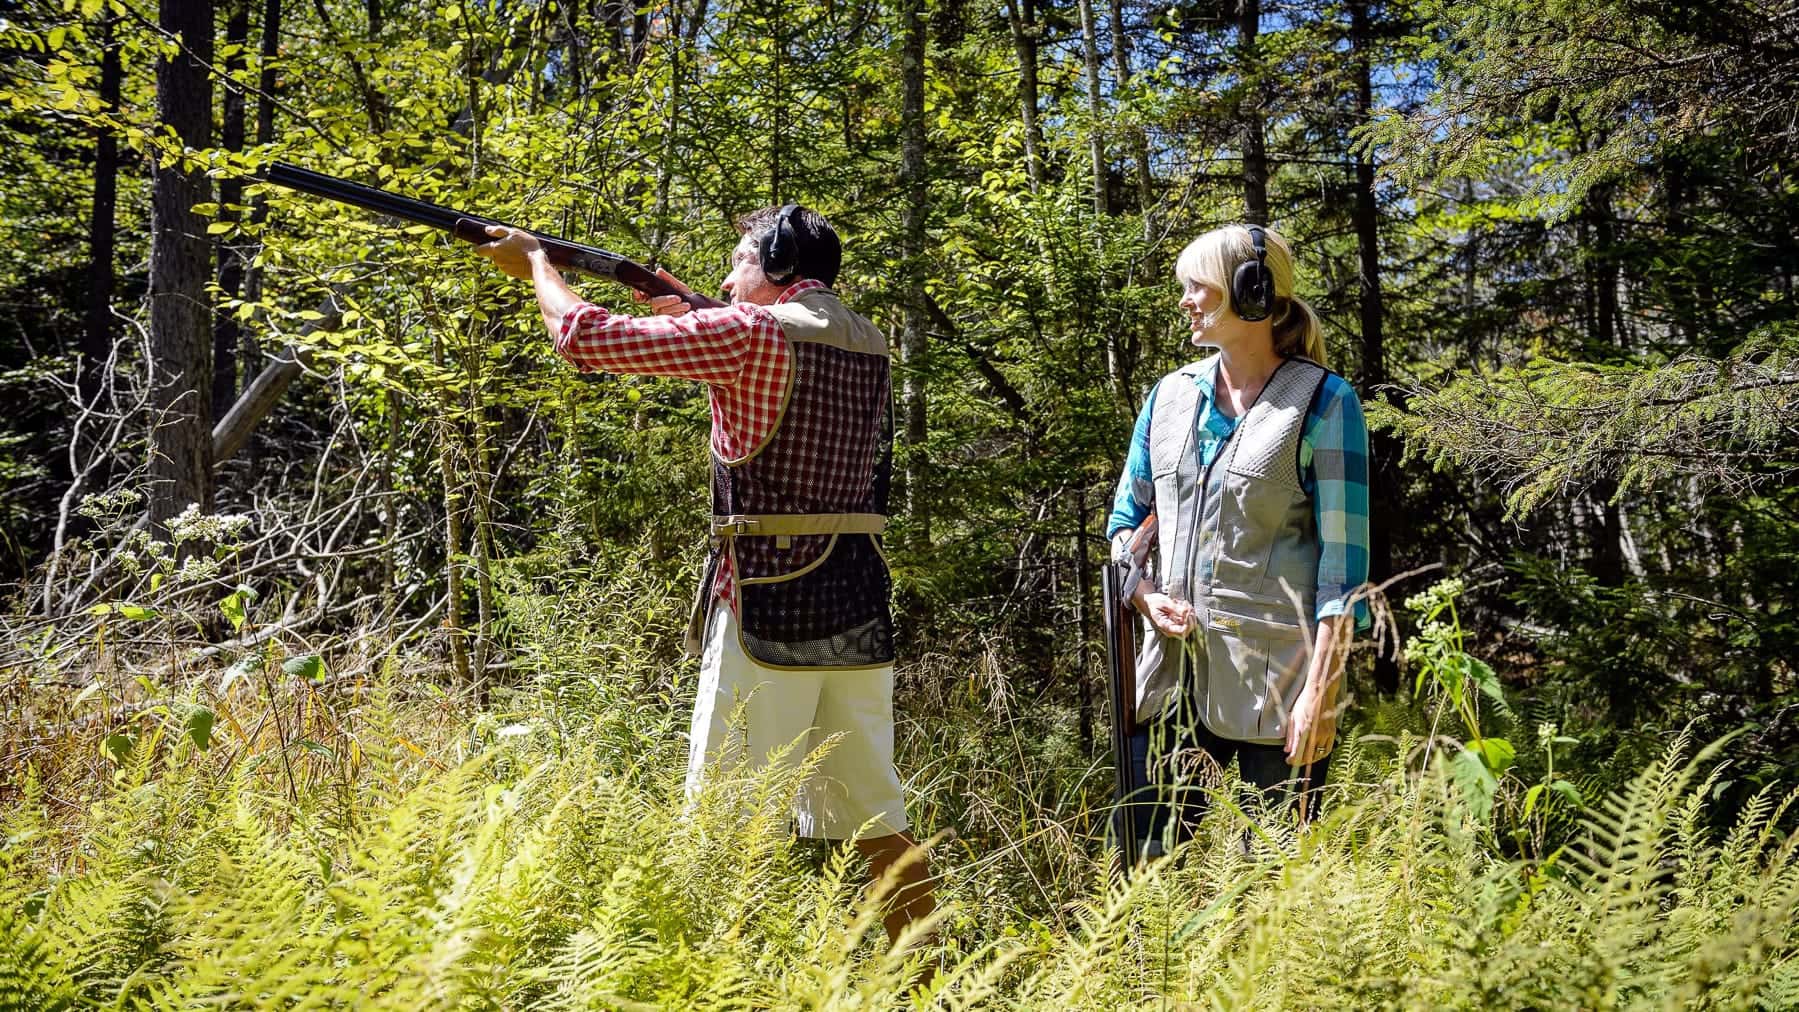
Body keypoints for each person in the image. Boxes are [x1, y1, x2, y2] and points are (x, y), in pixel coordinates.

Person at [475, 205, 935, 946]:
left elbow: (583, 337)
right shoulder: (867, 339)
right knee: (877, 812)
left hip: (766, 597)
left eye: (741, 262)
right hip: (854, 599)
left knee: (724, 812)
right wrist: (694, 309)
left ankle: (714, 977)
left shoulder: (749, 333)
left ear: (778, 266)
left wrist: (536, 263)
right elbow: (774, 347)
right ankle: (927, 976)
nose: (727, 277)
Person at [1106, 224, 1371, 854]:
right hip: (1166, 687)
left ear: (1251, 293)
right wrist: (1144, 595)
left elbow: (1343, 574)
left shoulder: (1325, 405)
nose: (1185, 299)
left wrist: (1320, 696)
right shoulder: (1167, 398)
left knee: (1276, 892)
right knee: (1143, 881)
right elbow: (1123, 526)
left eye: (1198, 285)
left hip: (1278, 693)